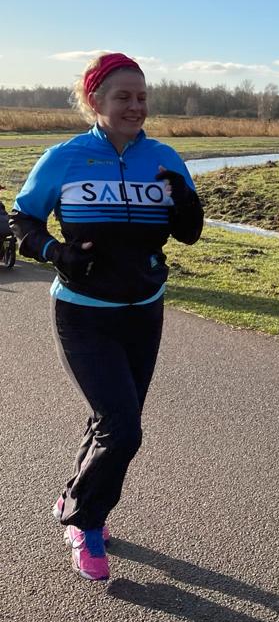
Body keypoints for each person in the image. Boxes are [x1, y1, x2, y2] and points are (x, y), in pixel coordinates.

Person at [10, 53, 203, 582]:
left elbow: (188, 232)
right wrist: (55, 252)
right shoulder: (65, 158)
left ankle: (74, 496)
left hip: (144, 311)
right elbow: (22, 219)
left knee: (112, 420)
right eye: (123, 97)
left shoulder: (164, 156)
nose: (136, 106)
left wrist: (186, 203)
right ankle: (86, 523)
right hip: (83, 313)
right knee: (123, 428)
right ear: (94, 101)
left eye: (142, 97)